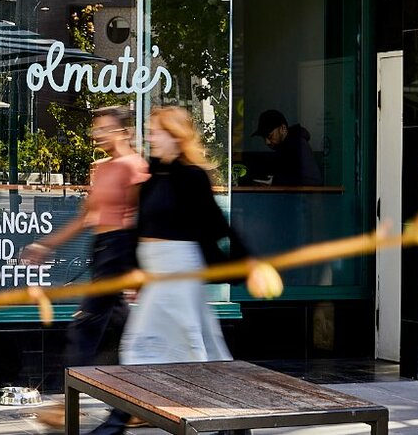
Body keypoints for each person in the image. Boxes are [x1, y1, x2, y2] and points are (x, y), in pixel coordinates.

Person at [90, 107, 282, 435]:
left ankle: (230, 422)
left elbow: (218, 225)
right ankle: (122, 422)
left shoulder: (192, 176)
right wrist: (135, 268)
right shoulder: (151, 173)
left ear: (175, 137)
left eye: (156, 131)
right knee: (148, 347)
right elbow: (139, 227)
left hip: (180, 273)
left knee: (192, 350)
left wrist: (246, 262)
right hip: (156, 275)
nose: (150, 137)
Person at [21, 106, 149, 429]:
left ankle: (67, 406)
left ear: (124, 132)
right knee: (121, 331)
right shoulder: (101, 168)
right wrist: (45, 245)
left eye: (105, 128)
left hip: (120, 252)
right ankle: (136, 404)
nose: (97, 134)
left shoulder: (135, 168)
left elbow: (140, 220)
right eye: (96, 128)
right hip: (104, 250)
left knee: (85, 327)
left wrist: (137, 269)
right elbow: (86, 218)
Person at [252, 109, 323, 186]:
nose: (267, 142)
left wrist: (276, 181)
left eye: (270, 136)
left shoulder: (299, 144)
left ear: (283, 128)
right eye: (264, 137)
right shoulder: (284, 147)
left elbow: (314, 180)